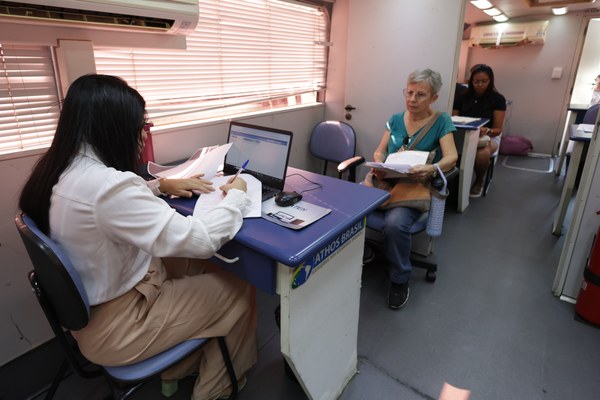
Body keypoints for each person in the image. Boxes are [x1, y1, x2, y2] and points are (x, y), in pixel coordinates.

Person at [18, 74, 257, 400]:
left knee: (198, 265)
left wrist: (159, 186)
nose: (143, 134)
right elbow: (202, 240)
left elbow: (103, 206)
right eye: (141, 126)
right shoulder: (107, 187)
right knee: (239, 286)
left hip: (96, 313)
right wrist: (238, 195)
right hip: (121, 327)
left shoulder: (64, 170)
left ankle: (177, 371)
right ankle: (217, 388)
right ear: (114, 128)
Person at [365, 68, 458, 310]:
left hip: (414, 187)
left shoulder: (442, 121)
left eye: (420, 95)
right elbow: (379, 151)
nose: (412, 99)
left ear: (434, 97)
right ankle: (363, 252)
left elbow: (452, 157)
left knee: (394, 224)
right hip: (387, 181)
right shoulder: (395, 119)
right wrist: (380, 162)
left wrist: (431, 169)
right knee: (349, 207)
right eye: (409, 93)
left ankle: (399, 278)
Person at [452, 64, 506, 197]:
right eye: (476, 81)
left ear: (490, 81)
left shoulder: (498, 99)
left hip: (488, 136)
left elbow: (498, 130)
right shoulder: (461, 97)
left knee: (482, 154)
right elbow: (453, 120)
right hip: (463, 134)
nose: (480, 85)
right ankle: (453, 181)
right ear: (471, 81)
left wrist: (486, 130)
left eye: (484, 81)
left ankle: (479, 180)